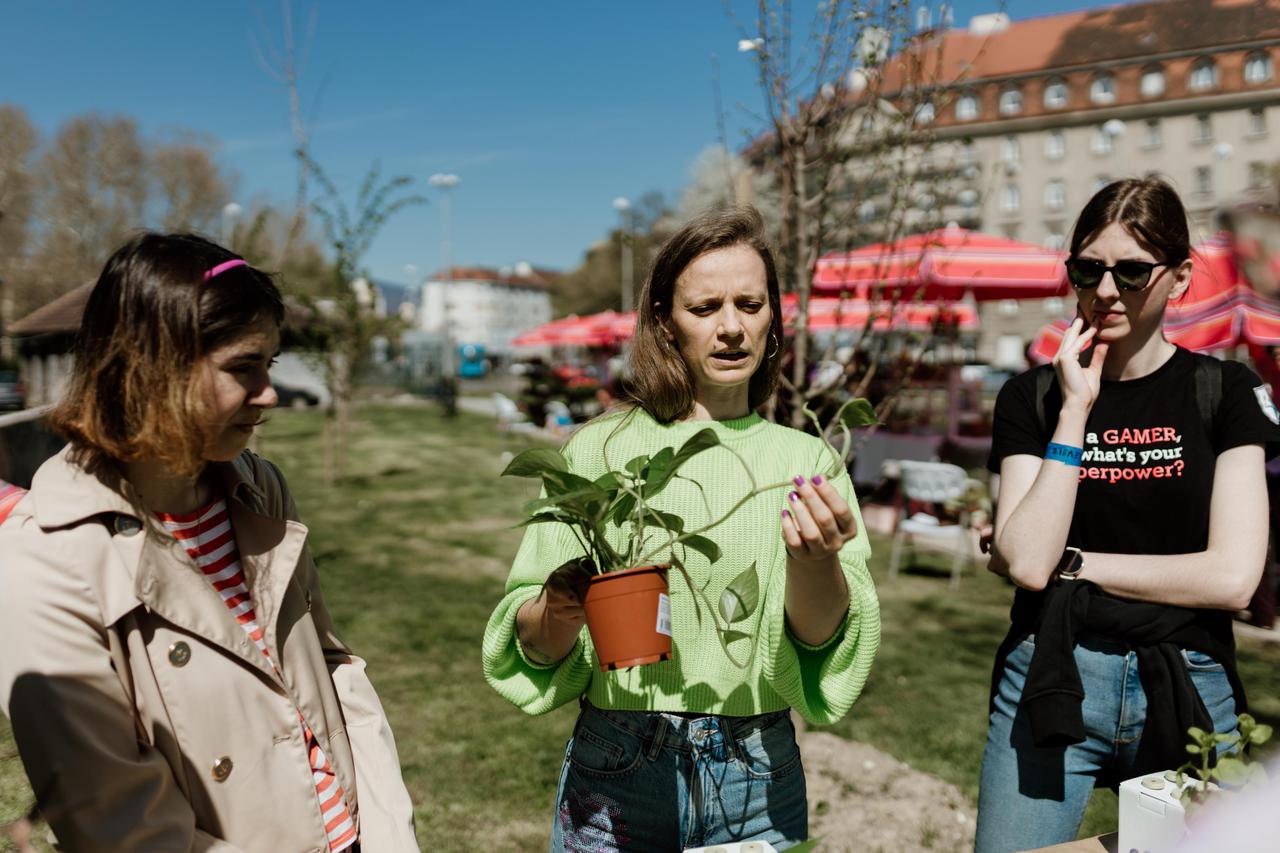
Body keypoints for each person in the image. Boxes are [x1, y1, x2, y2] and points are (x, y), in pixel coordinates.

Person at [0, 234, 418, 852]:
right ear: (150, 367)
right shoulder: (44, 559)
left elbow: (334, 671)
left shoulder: (259, 487)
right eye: (243, 367)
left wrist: (389, 835)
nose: (269, 391)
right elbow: (123, 830)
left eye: (270, 363)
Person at [481, 206, 880, 852]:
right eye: (705, 307)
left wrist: (817, 561)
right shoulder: (599, 452)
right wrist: (559, 606)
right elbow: (534, 645)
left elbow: (822, 641)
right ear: (665, 320)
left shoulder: (809, 463)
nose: (732, 327)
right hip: (620, 761)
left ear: (773, 316)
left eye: (750, 304)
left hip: (756, 771)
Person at [976, 178, 1280, 852]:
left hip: (1189, 678)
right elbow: (1027, 563)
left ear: (1179, 278)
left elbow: (1232, 577)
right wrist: (1075, 410)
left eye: (1132, 271)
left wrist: (1076, 562)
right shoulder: (1033, 396)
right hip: (1052, 670)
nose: (1106, 290)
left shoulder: (1226, 391)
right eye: (1088, 269)